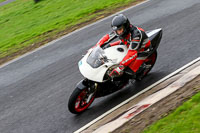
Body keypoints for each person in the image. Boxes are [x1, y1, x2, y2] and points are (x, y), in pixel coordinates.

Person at [95, 14, 151, 78]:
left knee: (128, 72)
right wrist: (97, 46)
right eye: (116, 30)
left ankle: (142, 70)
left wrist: (120, 67)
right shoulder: (120, 30)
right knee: (107, 47)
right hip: (128, 44)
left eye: (120, 29)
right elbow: (107, 37)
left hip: (141, 50)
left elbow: (132, 53)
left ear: (126, 26)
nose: (118, 32)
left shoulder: (136, 35)